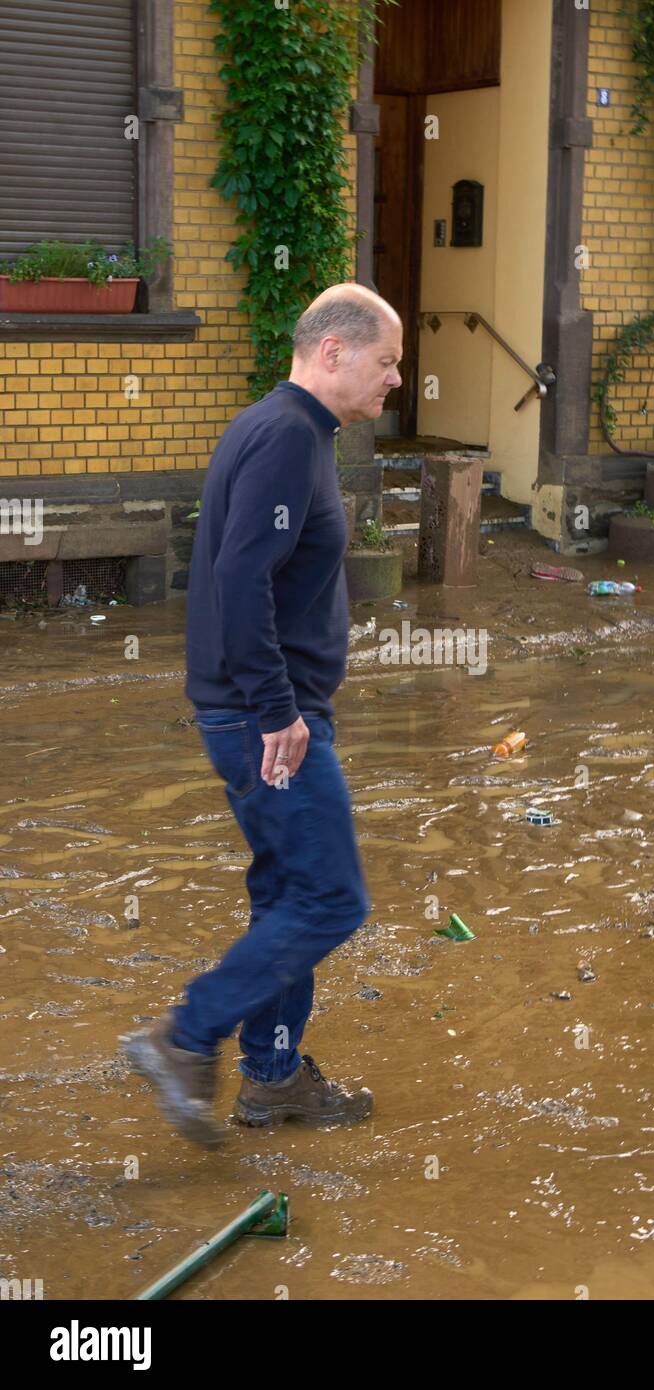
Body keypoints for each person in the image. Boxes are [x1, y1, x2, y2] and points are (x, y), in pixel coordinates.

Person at [122, 284, 403, 1149]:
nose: (395, 381)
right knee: (329, 898)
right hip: (265, 717)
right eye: (387, 362)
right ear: (333, 352)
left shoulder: (283, 429)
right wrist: (279, 711)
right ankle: (186, 1037)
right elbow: (239, 579)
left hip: (259, 709)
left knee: (288, 888)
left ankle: (274, 1080)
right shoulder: (286, 437)